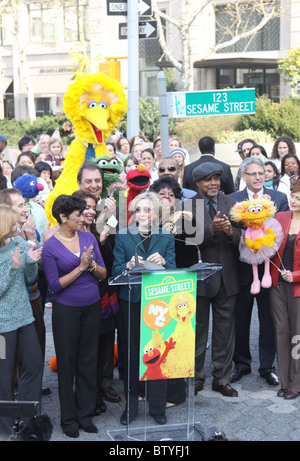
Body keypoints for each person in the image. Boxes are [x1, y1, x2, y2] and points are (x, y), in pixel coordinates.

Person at [42, 194, 107, 438]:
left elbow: (103, 273)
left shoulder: (89, 238)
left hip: (91, 306)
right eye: (78, 215)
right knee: (67, 364)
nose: (83, 218)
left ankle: (85, 414)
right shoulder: (50, 247)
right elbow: (55, 286)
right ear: (63, 217)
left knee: (88, 361)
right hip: (66, 310)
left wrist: (90, 265)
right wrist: (80, 268)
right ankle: (68, 419)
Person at [112, 191, 176, 425]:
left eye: (147, 210)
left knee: (157, 354)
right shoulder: (122, 236)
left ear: (156, 213)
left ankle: (158, 408)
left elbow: (174, 270)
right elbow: (115, 270)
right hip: (131, 301)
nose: (142, 214)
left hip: (157, 303)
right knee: (130, 354)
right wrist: (127, 265)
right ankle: (131, 407)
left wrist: (165, 262)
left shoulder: (167, 236)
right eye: (138, 210)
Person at [230, 157, 289, 386]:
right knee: (241, 320)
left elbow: (283, 231)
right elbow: (232, 233)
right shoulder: (233, 200)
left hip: (269, 270)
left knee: (268, 320)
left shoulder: (278, 198)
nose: (258, 177)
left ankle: (267, 366)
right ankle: (241, 364)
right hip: (242, 270)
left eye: (262, 173)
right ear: (243, 176)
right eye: (253, 174)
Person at [187, 162, 241, 397]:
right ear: (198, 183)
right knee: (197, 332)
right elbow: (187, 241)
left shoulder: (232, 204)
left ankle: (222, 379)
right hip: (199, 280)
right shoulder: (187, 207)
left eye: (217, 178)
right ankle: (196, 377)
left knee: (225, 332)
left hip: (228, 278)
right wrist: (211, 229)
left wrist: (230, 232)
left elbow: (245, 239)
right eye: (208, 179)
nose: (214, 183)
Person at [72, 189, 121, 414]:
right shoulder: (68, 231)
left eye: (93, 207)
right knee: (85, 345)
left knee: (105, 339)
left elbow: (111, 263)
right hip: (78, 297)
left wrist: (102, 241)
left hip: (103, 292)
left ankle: (103, 386)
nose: (90, 211)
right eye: (85, 207)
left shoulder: (102, 228)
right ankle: (85, 392)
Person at [0, 205, 43, 439]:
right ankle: (5, 430)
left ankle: (28, 422)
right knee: (3, 378)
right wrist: (12, 269)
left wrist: (30, 262)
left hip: (24, 317)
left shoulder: (17, 243)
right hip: (1, 326)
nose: (18, 227)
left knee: (35, 364)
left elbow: (29, 278)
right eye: (13, 225)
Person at [270, 181, 300, 400]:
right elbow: (267, 245)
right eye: (292, 195)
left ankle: (296, 383)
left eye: (299, 197)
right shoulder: (281, 217)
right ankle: (284, 381)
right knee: (281, 332)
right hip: (277, 283)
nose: (294, 200)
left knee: (297, 335)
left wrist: (296, 276)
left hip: (297, 286)